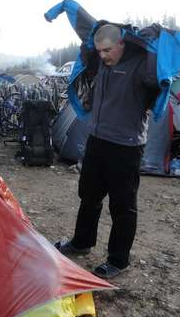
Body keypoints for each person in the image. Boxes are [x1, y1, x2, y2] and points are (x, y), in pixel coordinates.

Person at [54, 23, 159, 279]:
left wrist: (153, 45)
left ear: (122, 43)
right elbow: (86, 35)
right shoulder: (102, 64)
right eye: (100, 51)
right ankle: (82, 242)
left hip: (126, 145)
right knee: (88, 195)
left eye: (107, 50)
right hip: (97, 139)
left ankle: (118, 260)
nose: (103, 56)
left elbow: (156, 80)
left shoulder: (141, 65)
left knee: (122, 206)